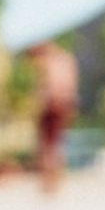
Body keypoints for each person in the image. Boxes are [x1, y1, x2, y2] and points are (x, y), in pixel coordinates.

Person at [31, 39, 78, 196]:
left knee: (48, 144)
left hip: (53, 105)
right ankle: (53, 180)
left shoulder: (49, 61)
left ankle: (50, 182)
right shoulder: (66, 59)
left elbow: (51, 86)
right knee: (56, 144)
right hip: (65, 104)